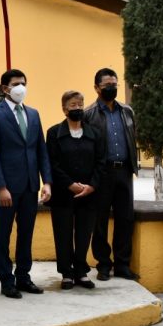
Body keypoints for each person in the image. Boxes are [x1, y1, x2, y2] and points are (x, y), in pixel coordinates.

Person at [0, 68, 52, 299]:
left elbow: (41, 150)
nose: (21, 87)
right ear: (5, 88)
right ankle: (6, 281)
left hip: (31, 186)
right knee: (3, 234)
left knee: (26, 233)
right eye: (15, 83)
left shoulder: (33, 114)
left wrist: (47, 182)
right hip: (6, 188)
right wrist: (1, 186)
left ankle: (24, 277)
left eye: (24, 82)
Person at [83, 68, 139, 282]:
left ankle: (123, 264)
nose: (112, 88)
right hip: (102, 173)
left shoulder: (127, 111)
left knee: (125, 219)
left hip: (124, 171)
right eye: (107, 85)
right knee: (100, 221)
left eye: (114, 84)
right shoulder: (89, 114)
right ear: (96, 88)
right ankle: (103, 264)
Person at [46, 90, 106, 290]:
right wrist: (70, 184)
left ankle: (81, 271)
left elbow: (101, 162)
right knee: (63, 234)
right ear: (64, 109)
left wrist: (92, 186)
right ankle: (66, 273)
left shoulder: (94, 133)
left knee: (84, 234)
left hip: (88, 194)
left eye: (80, 104)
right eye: (73, 105)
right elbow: (52, 164)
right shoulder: (54, 133)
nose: (78, 108)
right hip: (63, 194)